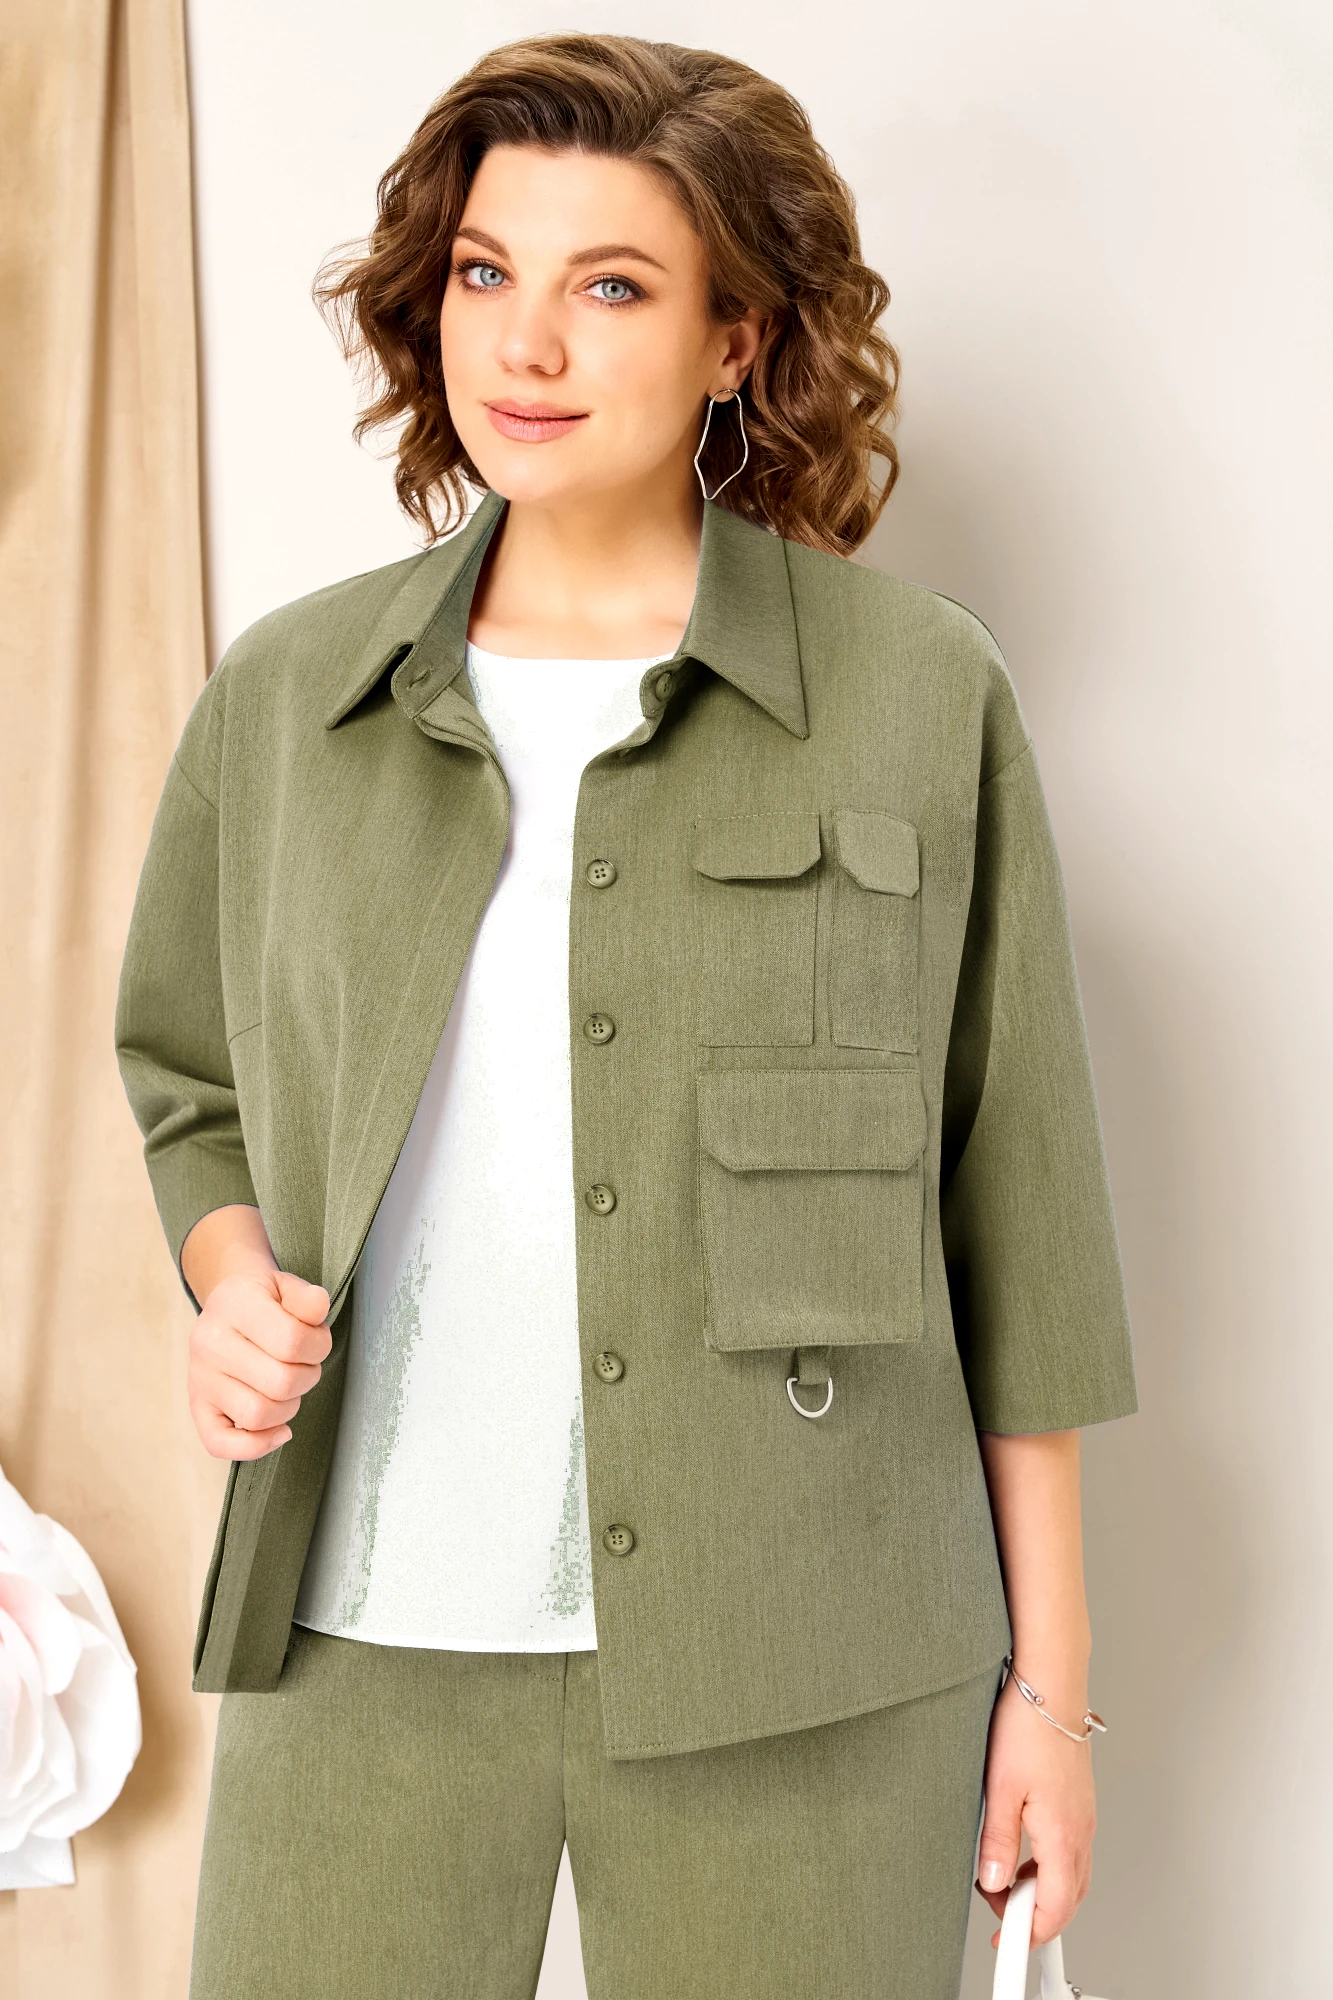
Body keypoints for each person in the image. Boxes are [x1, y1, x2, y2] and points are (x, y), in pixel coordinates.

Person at [115, 32, 1136, 2000]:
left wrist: (1056, 1697)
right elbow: (188, 1076)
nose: (526, 343)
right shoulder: (290, 701)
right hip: (362, 1621)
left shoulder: (919, 694)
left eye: (611, 286)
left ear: (738, 339)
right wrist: (227, 1280)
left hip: (814, 1646)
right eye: (486, 271)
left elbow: (1024, 1220)